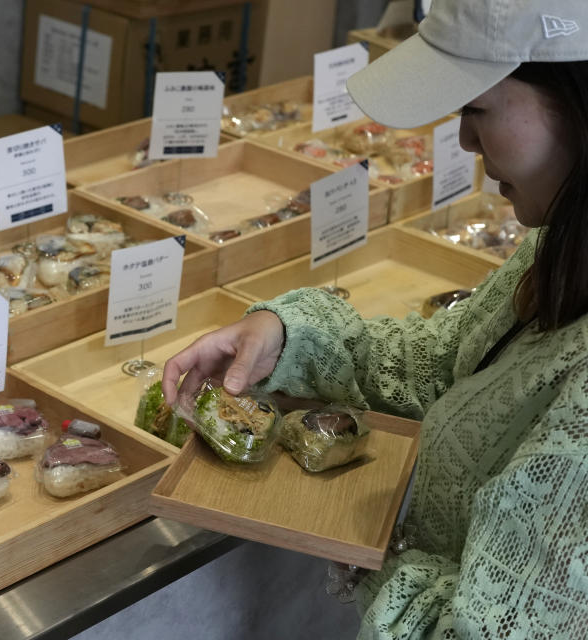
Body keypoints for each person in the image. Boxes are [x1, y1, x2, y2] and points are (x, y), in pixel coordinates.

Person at [162, 1, 588, 637]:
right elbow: (449, 362)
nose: (465, 140)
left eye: (475, 107)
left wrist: (366, 549)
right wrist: (287, 335)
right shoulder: (562, 241)